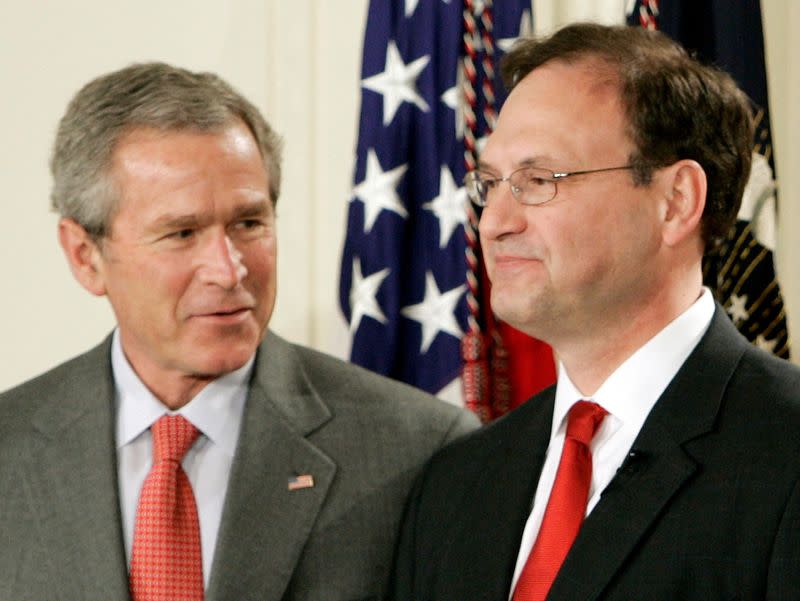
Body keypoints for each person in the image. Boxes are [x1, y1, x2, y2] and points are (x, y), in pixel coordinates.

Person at [0, 62, 478, 601]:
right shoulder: (10, 448)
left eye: (249, 224)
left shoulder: (419, 450)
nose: (229, 271)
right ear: (85, 256)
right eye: (181, 233)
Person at [392, 23, 800, 601]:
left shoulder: (785, 453)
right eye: (489, 184)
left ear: (676, 201)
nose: (494, 223)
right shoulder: (456, 482)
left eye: (538, 181)